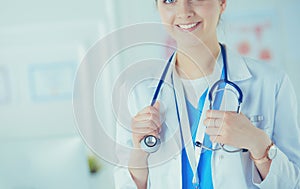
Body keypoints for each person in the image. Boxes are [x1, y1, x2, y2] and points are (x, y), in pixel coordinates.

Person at [114, 0, 300, 188]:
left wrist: (259, 144)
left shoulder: (271, 83)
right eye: (169, 0)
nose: (184, 11)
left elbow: (293, 183)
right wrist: (139, 153)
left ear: (222, 3)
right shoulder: (136, 92)